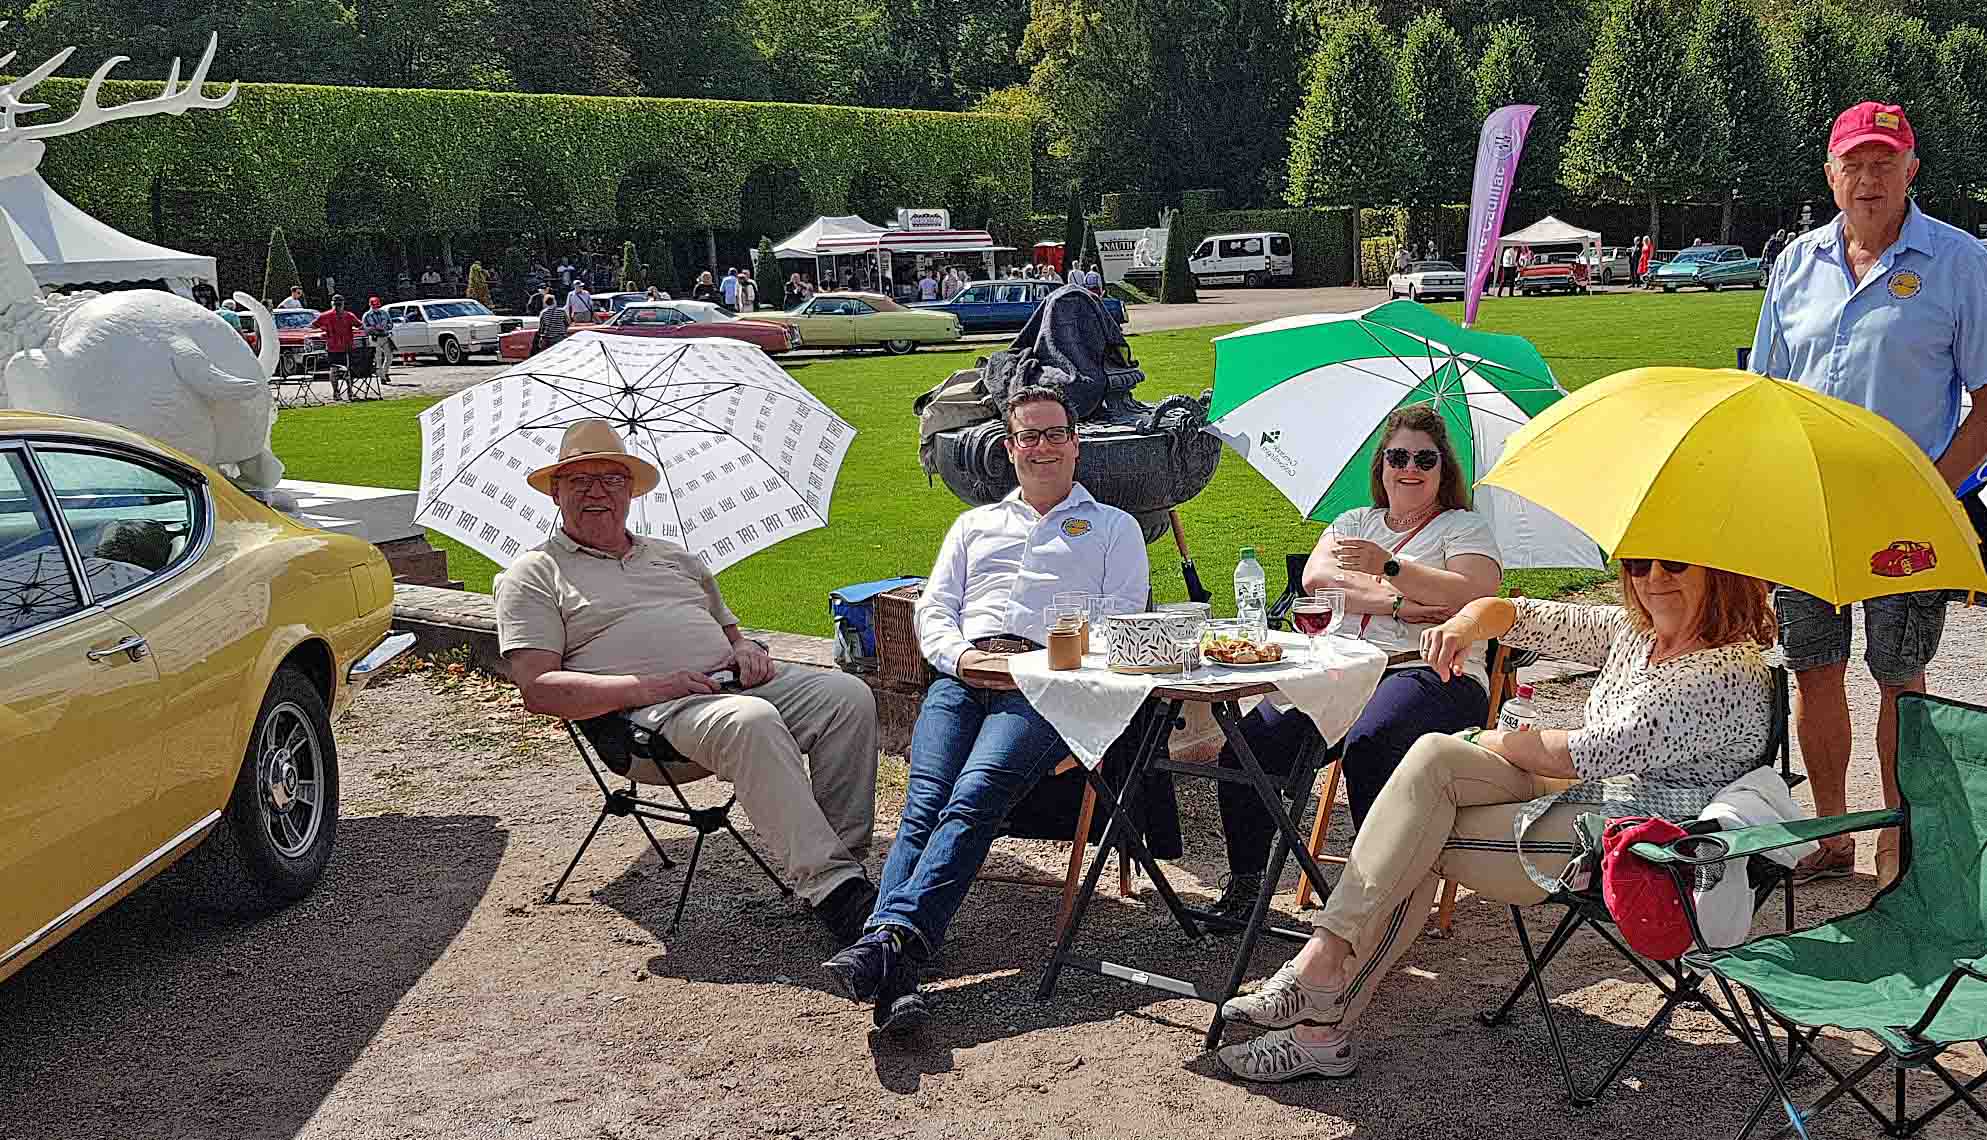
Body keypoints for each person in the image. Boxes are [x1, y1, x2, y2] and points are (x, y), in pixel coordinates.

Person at [1214, 563, 1776, 1082]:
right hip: (1587, 800)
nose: (1652, 578)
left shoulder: (1724, 672)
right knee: (1434, 756)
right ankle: (1322, 966)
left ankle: (1321, 1021)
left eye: (1673, 563)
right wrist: (1463, 625)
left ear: (1719, 573)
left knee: (1415, 837)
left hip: (1642, 846)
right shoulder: (1638, 631)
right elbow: (1517, 613)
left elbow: (1581, 753)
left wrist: (1485, 738)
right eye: (1637, 563)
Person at [821, 386, 1151, 1034]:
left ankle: (887, 942)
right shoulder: (974, 526)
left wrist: (1033, 664)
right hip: (963, 675)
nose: (1041, 446)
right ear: (1009, 447)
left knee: (974, 795)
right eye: (1028, 435)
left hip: (1043, 685)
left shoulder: (1114, 528)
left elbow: (1120, 622)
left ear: (1075, 444)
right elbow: (934, 610)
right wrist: (965, 659)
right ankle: (896, 961)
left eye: (1054, 434)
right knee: (925, 801)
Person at [497, 420, 881, 944]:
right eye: (579, 480)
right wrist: (655, 686)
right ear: (555, 492)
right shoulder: (534, 574)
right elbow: (539, 689)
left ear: (630, 490)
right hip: (651, 718)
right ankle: (836, 891)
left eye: (611, 479)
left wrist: (746, 650)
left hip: (732, 684)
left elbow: (733, 633)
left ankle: (846, 863)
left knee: (847, 697)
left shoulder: (673, 557)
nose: (596, 492)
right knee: (751, 720)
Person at [1747, 101, 1987, 888]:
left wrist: (1932, 496)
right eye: (1853, 164)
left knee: (1897, 676)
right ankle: (1830, 834)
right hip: (1808, 508)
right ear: (1830, 175)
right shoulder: (1796, 262)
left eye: (1884, 163)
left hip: (1903, 515)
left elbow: (1986, 403)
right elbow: (1766, 392)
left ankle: (1894, 839)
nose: (1868, 179)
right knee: (1812, 668)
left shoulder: (1957, 261)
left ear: (1911, 170)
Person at [1206, 405, 1503, 918]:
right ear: (1381, 463)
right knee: (1247, 745)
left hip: (1428, 669)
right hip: (1342, 668)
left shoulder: (1462, 527)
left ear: (1444, 469)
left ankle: (1375, 904)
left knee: (1373, 741)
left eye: (1425, 460)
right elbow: (1317, 580)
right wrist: (1399, 602)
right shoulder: (1354, 521)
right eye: (1398, 457)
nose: (1409, 469)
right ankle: (1248, 885)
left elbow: (1471, 591)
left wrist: (1387, 565)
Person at [310, 294, 365, 400]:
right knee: (348, 370)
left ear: (332, 303)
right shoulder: (348, 315)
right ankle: (350, 392)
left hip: (333, 347)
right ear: (343, 304)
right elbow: (360, 325)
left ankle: (336, 393)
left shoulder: (325, 315)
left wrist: (324, 330)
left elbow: (312, 326)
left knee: (334, 370)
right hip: (346, 347)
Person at [360, 294, 394, 387]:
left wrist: (385, 327)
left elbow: (390, 324)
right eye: (373, 305)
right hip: (374, 338)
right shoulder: (366, 315)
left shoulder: (384, 313)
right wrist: (375, 328)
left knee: (389, 357)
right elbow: (365, 328)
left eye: (377, 304)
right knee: (378, 358)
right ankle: (382, 378)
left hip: (385, 337)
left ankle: (385, 372)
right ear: (370, 305)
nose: (375, 306)